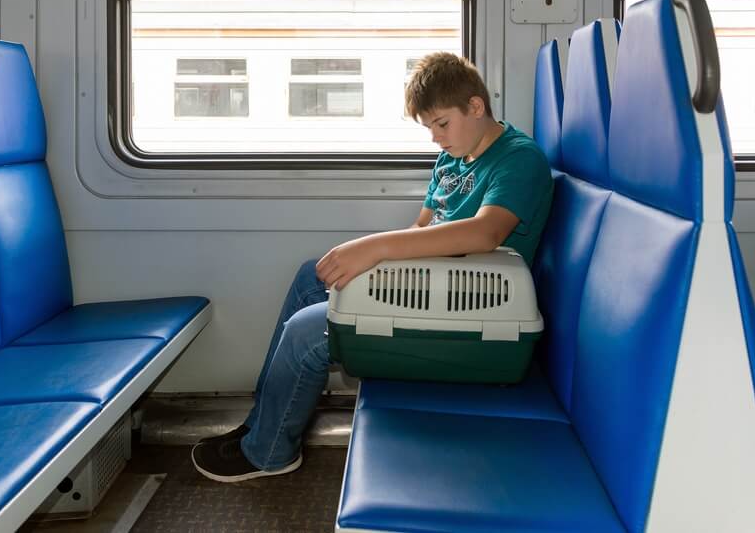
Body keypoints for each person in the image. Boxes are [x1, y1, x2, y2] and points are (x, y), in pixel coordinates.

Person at [191, 52, 554, 482]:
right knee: (313, 276)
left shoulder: (519, 158)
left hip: (476, 311)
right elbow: (423, 227)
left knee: (309, 330)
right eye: (429, 129)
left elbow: (484, 234)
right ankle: (261, 423)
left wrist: (374, 250)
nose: (436, 139)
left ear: (476, 107)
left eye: (442, 124)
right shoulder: (454, 157)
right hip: (436, 287)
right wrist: (372, 271)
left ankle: (269, 452)